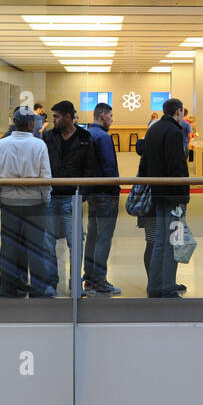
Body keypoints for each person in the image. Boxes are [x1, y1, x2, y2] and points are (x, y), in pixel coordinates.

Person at [0, 106, 55, 298]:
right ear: (30, 124)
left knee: (9, 247)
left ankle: (8, 288)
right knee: (36, 248)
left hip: (9, 203)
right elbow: (46, 177)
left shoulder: (1, 144)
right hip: (35, 203)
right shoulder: (38, 145)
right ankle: (38, 289)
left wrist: (0, 198)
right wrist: (46, 199)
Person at [43, 100, 100, 293]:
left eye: (56, 116)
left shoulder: (84, 137)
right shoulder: (48, 136)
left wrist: (81, 194)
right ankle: (50, 282)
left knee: (75, 243)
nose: (53, 120)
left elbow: (90, 168)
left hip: (72, 198)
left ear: (68, 117)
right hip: (51, 197)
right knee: (48, 241)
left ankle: (75, 282)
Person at [137, 98, 189, 298]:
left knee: (159, 242)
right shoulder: (174, 133)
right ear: (178, 112)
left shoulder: (153, 130)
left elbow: (145, 163)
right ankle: (167, 287)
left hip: (156, 193)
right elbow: (177, 167)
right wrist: (184, 196)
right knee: (173, 242)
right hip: (172, 196)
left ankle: (155, 286)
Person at [83, 102, 122, 295]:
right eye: (111, 116)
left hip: (92, 193)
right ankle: (99, 280)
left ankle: (89, 277)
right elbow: (109, 168)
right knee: (103, 238)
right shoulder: (104, 137)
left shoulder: (88, 134)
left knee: (92, 235)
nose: (112, 120)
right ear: (103, 115)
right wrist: (115, 191)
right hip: (106, 195)